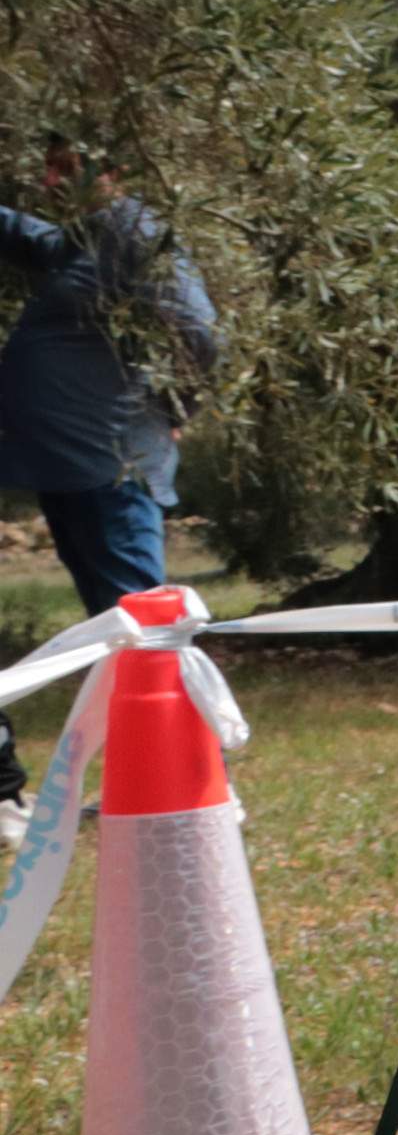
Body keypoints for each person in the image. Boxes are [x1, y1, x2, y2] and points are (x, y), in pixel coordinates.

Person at [0, 146, 219, 847]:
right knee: (114, 632)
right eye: (49, 170)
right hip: (69, 468)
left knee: (143, 631)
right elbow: (25, 237)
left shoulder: (137, 235)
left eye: (69, 168)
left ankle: (188, 788)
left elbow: (200, 330)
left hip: (112, 466)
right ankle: (144, 785)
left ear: (113, 169)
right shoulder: (85, 244)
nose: (53, 181)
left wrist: (173, 408)